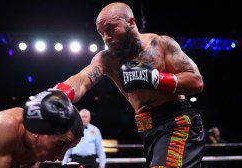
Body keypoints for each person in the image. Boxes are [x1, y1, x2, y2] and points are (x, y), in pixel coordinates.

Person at [49, 2, 205, 167]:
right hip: (148, 129)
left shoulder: (161, 44)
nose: (106, 38)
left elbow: (196, 81)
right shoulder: (107, 59)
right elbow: (83, 78)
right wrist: (58, 95)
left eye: (111, 29)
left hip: (178, 122)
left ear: (131, 22)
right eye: (102, 33)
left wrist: (156, 79)